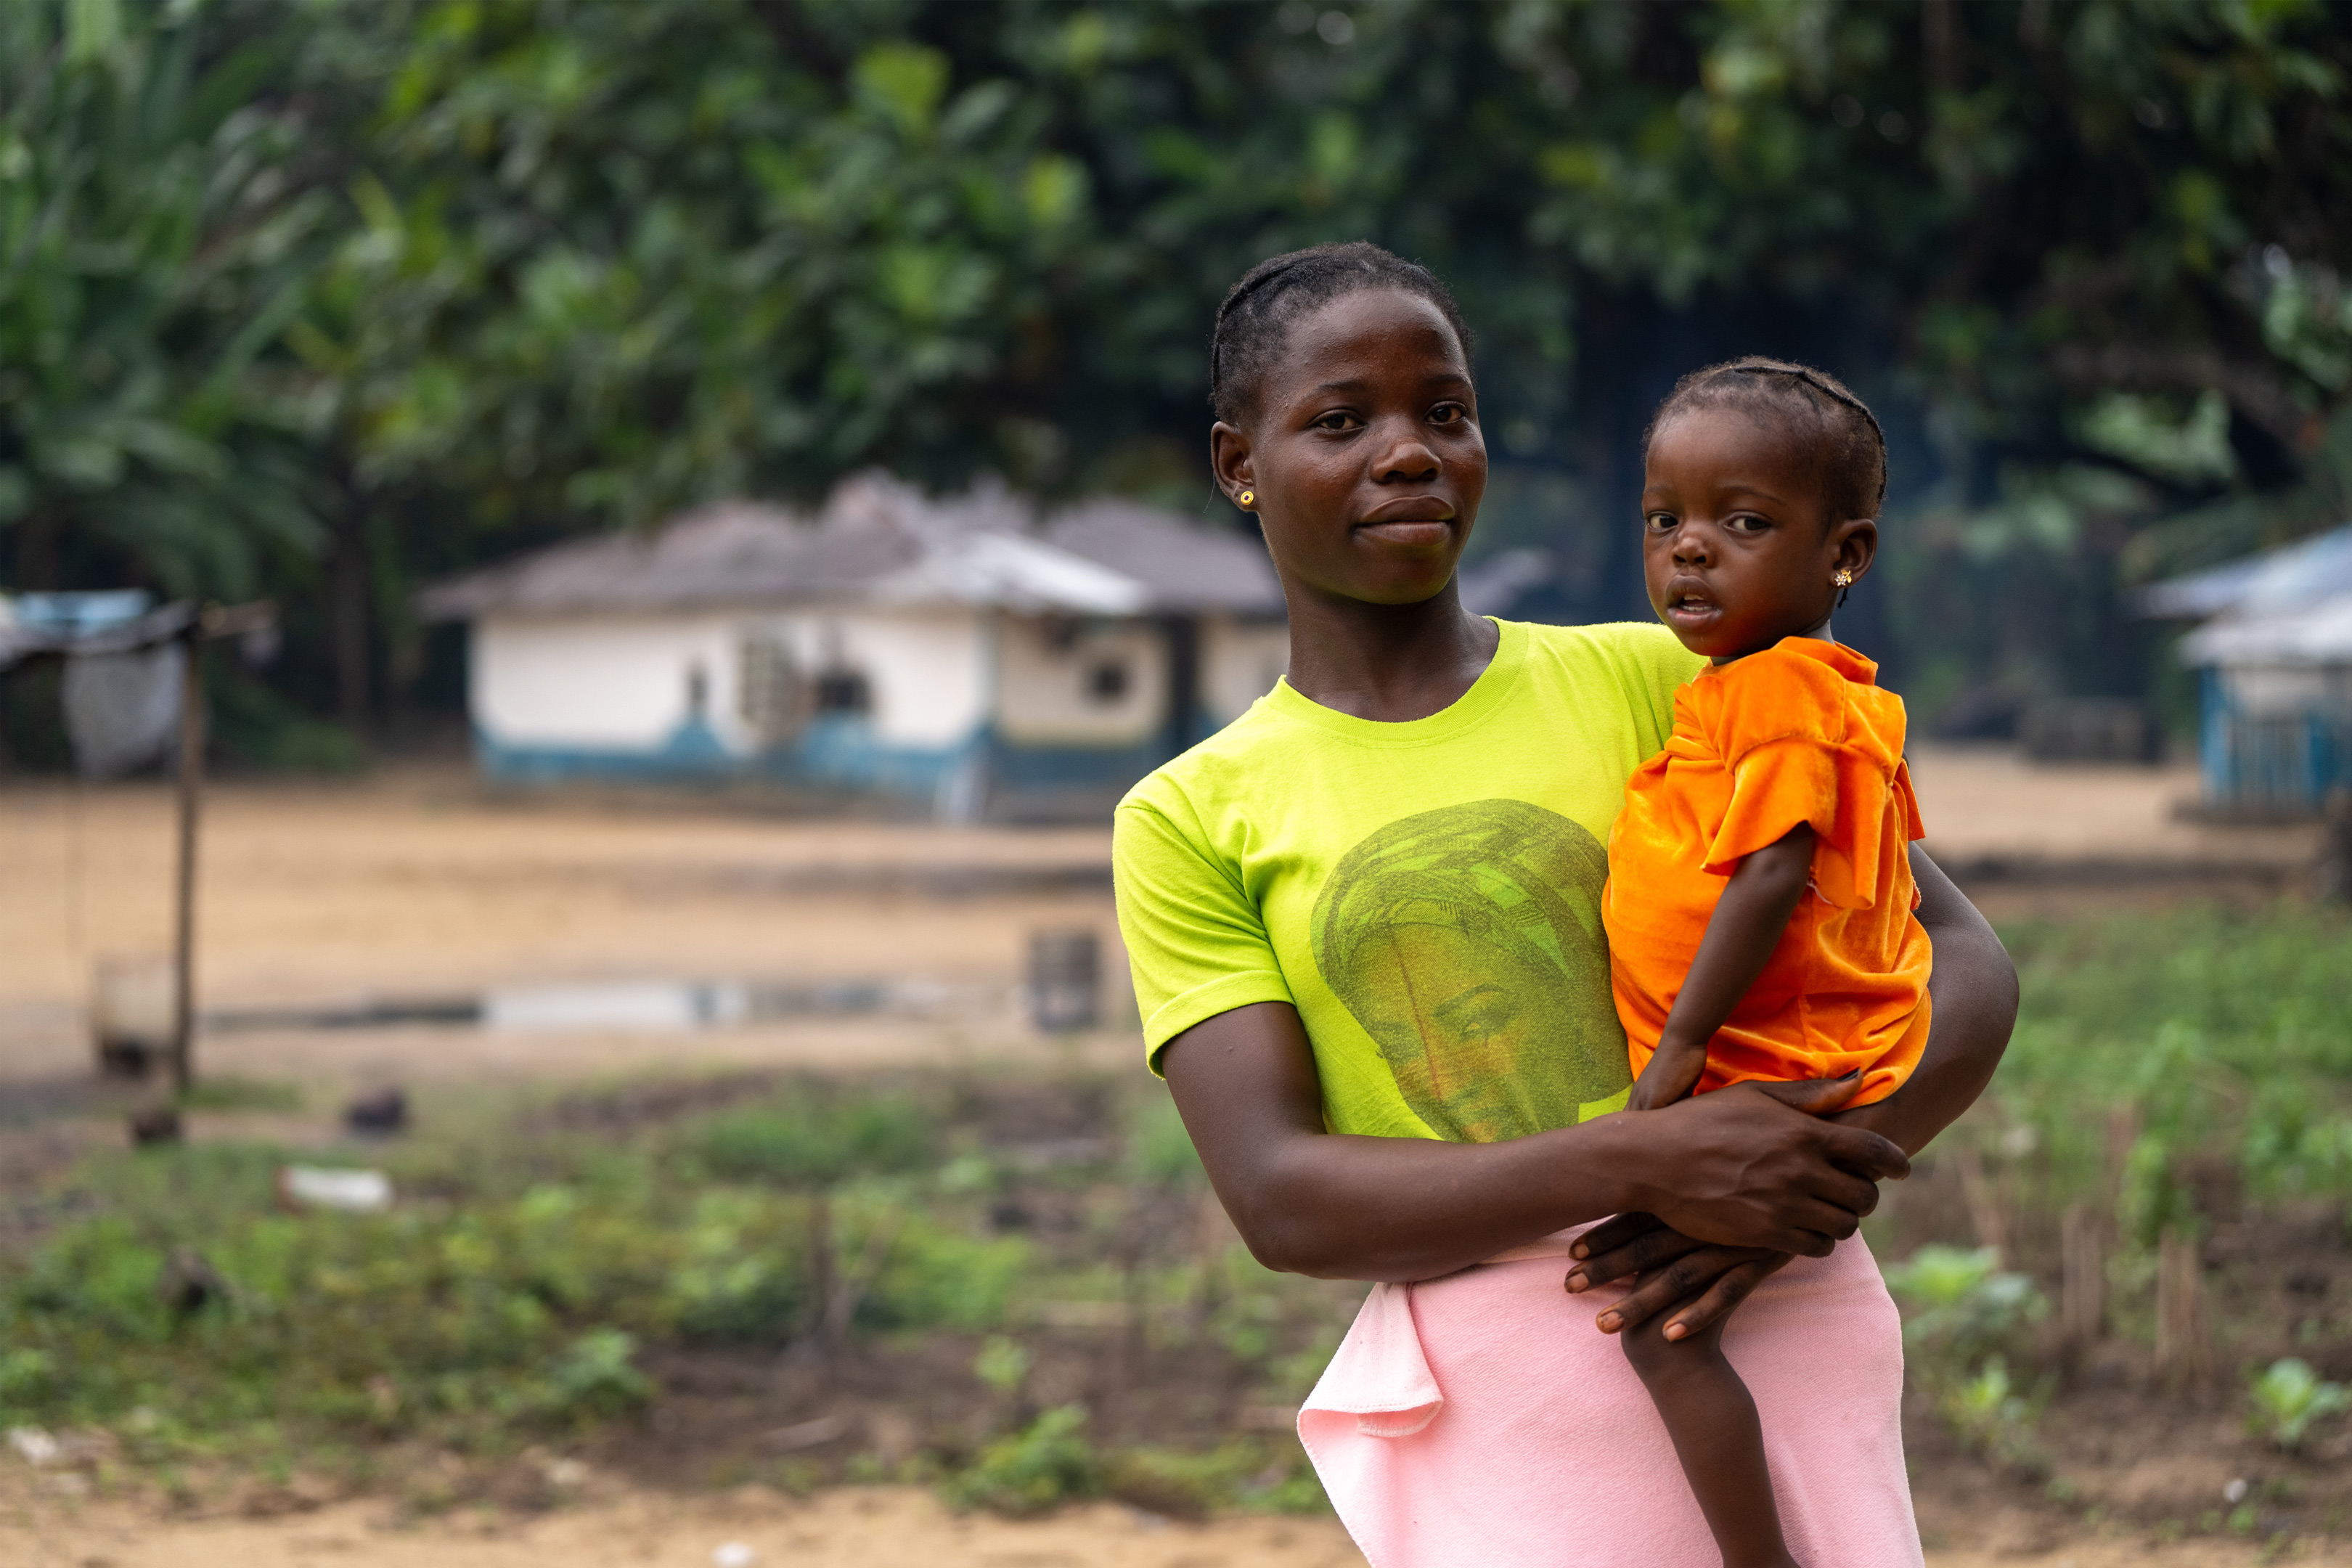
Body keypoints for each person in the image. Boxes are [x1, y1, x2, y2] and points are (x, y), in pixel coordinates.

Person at [1112, 240, 2017, 1566]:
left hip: (1766, 1302)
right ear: (1237, 463)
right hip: (1509, 1371)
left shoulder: (1675, 681)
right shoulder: (1192, 817)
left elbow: (1962, 961)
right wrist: (1644, 1164)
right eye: (1340, 420)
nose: (1411, 451)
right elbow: (1282, 1199)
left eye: (1447, 411)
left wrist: (1803, 1190)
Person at [1605, 357, 1932, 1567]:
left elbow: (1773, 871)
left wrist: (1680, 1053)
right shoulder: (1781, 690)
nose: (1692, 551)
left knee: (1662, 1330)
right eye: (1665, 520)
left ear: (1846, 553)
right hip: (1775, 1062)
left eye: (1743, 523)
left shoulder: (1778, 691)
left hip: (1751, 1068)